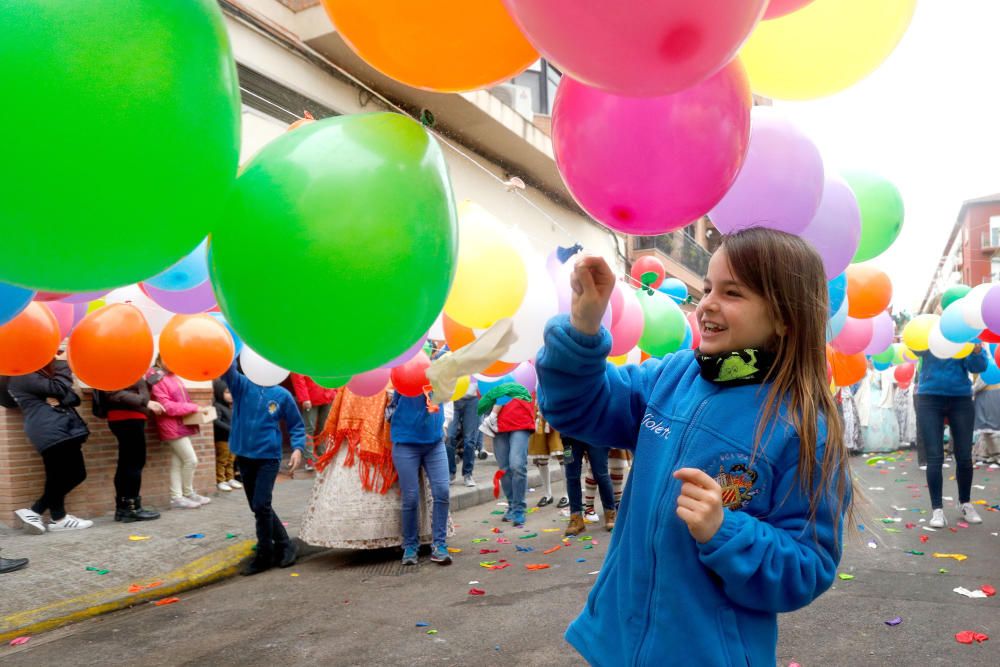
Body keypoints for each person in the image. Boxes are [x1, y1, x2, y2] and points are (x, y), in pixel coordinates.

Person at [536, 228, 851, 666]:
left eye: (732, 292)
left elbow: (808, 566)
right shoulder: (674, 376)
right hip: (617, 645)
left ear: (784, 317)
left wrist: (724, 531)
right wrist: (584, 326)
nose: (707, 304)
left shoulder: (802, 428)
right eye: (707, 289)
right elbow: (580, 410)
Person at [222, 362, 306, 576]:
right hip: (244, 455)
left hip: (268, 457)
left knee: (261, 504)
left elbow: (296, 424)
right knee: (259, 506)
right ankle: (285, 544)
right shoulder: (241, 385)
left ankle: (264, 555)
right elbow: (227, 368)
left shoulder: (282, 395)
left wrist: (297, 448)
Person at [9, 357, 94, 533]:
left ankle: (59, 517)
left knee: (56, 477)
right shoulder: (22, 375)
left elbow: (73, 397)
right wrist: (62, 363)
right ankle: (34, 510)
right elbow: (61, 388)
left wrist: (60, 397)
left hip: (56, 428)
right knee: (76, 474)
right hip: (52, 430)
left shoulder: (38, 373)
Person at [913, 342, 988, 527]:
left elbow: (979, 367)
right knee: (934, 457)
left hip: (960, 397)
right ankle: (937, 510)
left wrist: (977, 351)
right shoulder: (928, 326)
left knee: (963, 456)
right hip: (929, 397)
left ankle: (965, 503)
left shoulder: (964, 326)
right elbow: (915, 347)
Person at [388, 388, 451, 566]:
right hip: (405, 443)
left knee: (442, 491)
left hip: (434, 443)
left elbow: (449, 396)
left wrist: (444, 425)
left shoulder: (438, 370)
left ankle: (439, 544)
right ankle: (410, 545)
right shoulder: (402, 372)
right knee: (411, 497)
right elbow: (392, 404)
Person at [148, 358, 211, 510]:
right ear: (160, 358)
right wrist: (193, 407)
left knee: (178, 463)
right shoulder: (155, 375)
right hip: (171, 426)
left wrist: (192, 409)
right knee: (191, 460)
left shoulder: (173, 376)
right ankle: (183, 495)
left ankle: (180, 496)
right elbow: (167, 406)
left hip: (181, 424)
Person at [103, 380, 164, 521]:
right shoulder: (118, 366)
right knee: (134, 463)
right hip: (127, 417)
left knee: (126, 463)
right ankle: (132, 509)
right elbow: (112, 391)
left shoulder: (131, 367)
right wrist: (146, 402)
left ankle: (123, 509)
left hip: (129, 417)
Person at [480, 383, 535, 527]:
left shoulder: (522, 363)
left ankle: (519, 508)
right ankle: (511, 505)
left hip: (521, 419)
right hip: (498, 424)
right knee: (504, 468)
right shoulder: (491, 371)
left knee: (517, 465)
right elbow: (484, 393)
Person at [563, 435, 616, 536]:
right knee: (571, 477)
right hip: (569, 435)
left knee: (601, 474)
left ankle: (610, 514)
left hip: (596, 431)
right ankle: (576, 519)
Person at [290, 373, 337, 467]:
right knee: (309, 428)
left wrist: (335, 391)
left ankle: (322, 454)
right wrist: (304, 398)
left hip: (328, 395)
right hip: (310, 397)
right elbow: (298, 376)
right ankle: (309, 458)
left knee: (324, 427)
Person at [446, 379, 481, 487]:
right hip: (453, 398)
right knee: (449, 436)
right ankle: (451, 472)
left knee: (470, 440)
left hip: (472, 400)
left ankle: (468, 474)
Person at [529, 411, 566, 507]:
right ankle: (547, 494)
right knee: (541, 456)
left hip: (559, 414)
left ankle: (568, 494)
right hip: (540, 417)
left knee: (564, 455)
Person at [212, 378, 241, 492]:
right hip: (223, 439)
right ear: (219, 392)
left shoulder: (232, 407)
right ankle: (221, 480)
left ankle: (230, 478)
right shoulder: (218, 406)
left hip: (233, 439)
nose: (231, 395)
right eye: (228, 392)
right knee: (222, 460)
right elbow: (216, 421)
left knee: (231, 460)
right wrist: (231, 429)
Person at [973, 375, 1000, 467]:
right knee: (986, 430)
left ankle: (997, 456)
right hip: (987, 399)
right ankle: (993, 455)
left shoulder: (987, 370)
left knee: (991, 429)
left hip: (989, 399)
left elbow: (978, 386)